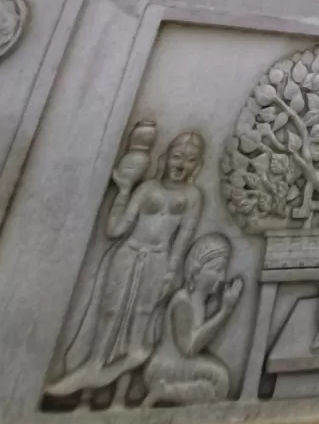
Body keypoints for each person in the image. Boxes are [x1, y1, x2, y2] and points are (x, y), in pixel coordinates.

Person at [45, 131, 206, 404]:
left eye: (190, 160)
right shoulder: (147, 189)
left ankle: (119, 398)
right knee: (109, 316)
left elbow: (184, 239)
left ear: (197, 166)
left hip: (158, 261)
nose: (181, 165)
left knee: (140, 328)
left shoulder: (192, 195)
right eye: (177, 157)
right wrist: (122, 190)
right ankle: (88, 385)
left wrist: (170, 272)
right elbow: (115, 228)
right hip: (127, 254)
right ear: (166, 158)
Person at [141, 234, 243, 407]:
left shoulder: (199, 301)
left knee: (219, 380)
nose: (222, 277)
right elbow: (189, 348)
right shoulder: (183, 301)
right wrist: (225, 311)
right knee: (220, 380)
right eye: (217, 269)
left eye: (224, 270)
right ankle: (163, 391)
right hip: (166, 367)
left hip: (181, 365)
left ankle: (170, 392)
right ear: (196, 270)